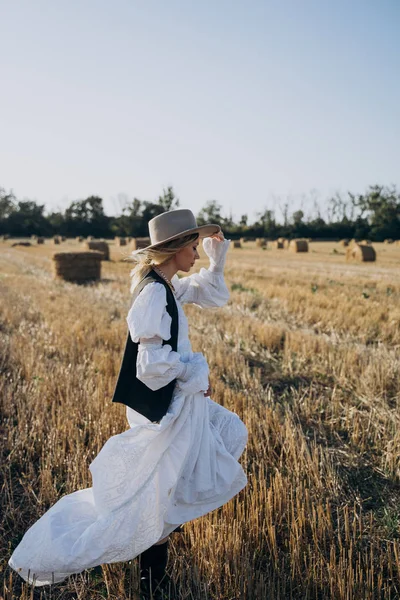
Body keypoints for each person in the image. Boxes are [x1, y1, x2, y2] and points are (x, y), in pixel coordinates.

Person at [9, 208, 248, 594]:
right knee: (153, 495)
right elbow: (151, 365)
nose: (197, 254)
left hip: (176, 403)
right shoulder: (154, 292)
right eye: (193, 246)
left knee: (209, 452)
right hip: (163, 410)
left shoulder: (167, 286)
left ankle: (153, 571)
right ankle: (147, 578)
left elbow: (213, 296)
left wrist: (219, 260)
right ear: (174, 249)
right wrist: (193, 372)